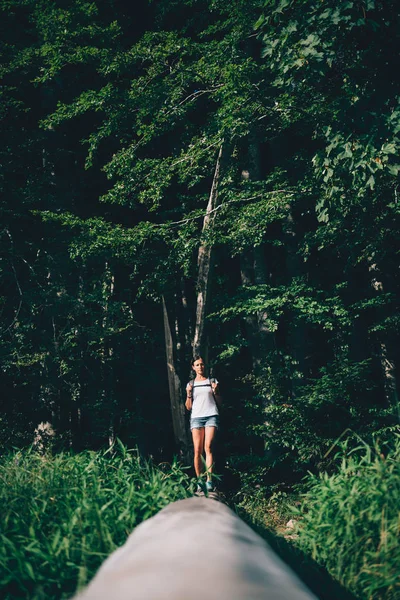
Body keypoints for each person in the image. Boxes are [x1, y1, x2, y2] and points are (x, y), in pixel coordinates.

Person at [185, 356, 221, 493]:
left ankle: (209, 481)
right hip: (196, 418)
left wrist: (216, 391)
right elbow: (188, 407)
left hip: (211, 415)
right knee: (197, 451)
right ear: (193, 367)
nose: (200, 367)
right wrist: (188, 394)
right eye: (197, 365)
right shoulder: (191, 384)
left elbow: (220, 402)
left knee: (209, 447)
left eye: (202, 364)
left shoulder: (212, 381)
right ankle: (200, 481)